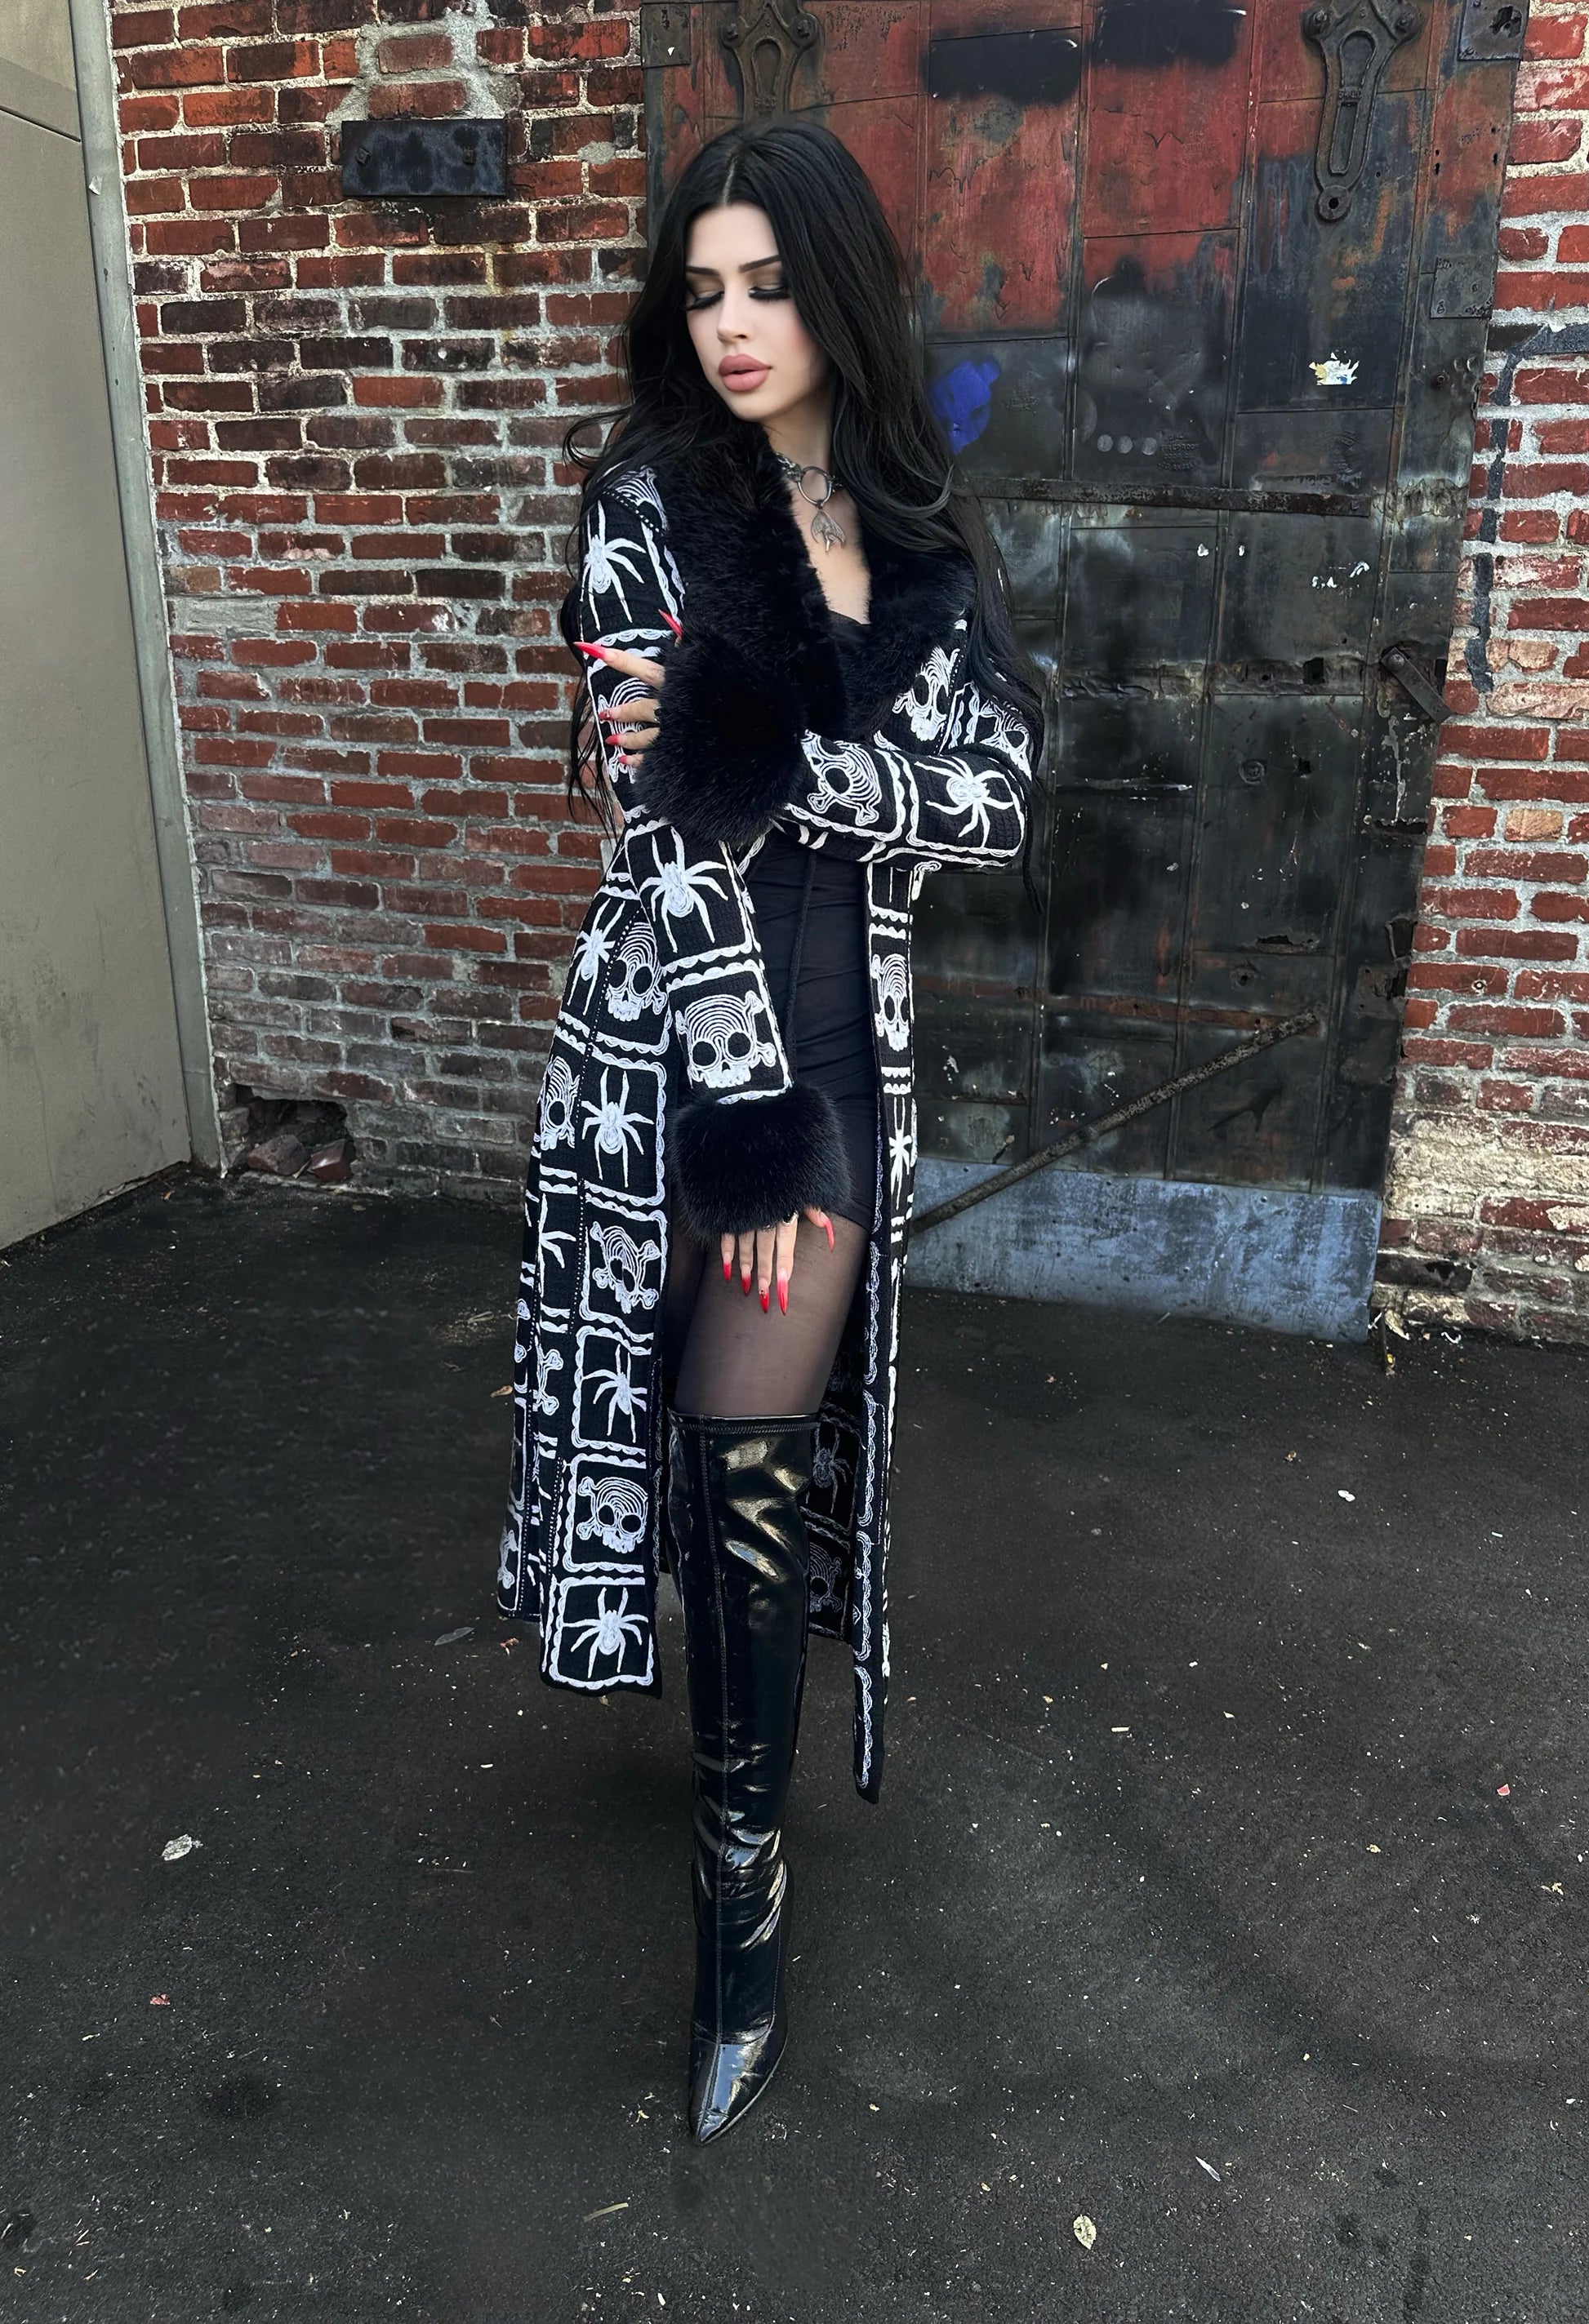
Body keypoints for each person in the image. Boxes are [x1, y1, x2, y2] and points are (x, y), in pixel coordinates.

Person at [495, 116, 1041, 2143]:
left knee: (751, 1458)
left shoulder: (920, 534)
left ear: (841, 295)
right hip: (680, 1059)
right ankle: (736, 1859)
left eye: (770, 285)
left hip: (850, 1056)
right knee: (695, 1445)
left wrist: (787, 754)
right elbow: (657, 826)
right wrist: (745, 1114)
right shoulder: (647, 509)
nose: (733, 324)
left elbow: (997, 802)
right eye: (703, 289)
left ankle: (741, 1879)